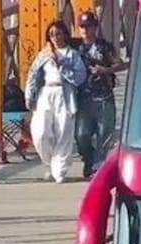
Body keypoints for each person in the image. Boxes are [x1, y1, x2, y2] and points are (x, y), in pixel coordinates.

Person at [25, 20, 88, 183]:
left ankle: (60, 169)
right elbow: (33, 74)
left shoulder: (72, 55)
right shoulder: (44, 54)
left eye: (58, 33)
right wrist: (29, 95)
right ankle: (48, 162)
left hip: (64, 93)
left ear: (65, 35)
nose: (55, 37)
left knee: (64, 131)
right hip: (46, 92)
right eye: (52, 34)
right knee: (41, 132)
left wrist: (61, 66)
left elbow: (80, 77)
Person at [74, 11, 119, 179]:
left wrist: (106, 70)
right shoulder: (75, 48)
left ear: (95, 27)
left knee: (104, 135)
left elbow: (121, 64)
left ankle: (98, 168)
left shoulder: (104, 46)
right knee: (82, 135)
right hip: (84, 98)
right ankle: (89, 158)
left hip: (104, 96)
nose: (86, 30)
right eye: (82, 27)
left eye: (89, 26)